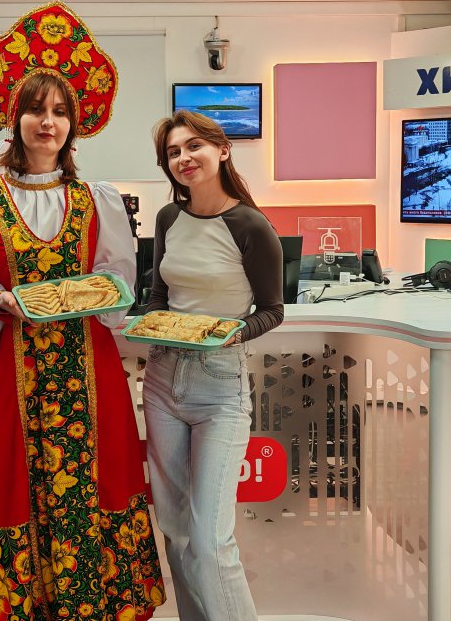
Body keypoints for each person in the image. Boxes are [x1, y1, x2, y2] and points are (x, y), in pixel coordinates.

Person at [0, 2, 164, 621]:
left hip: (90, 371)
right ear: (13, 116)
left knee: (93, 484)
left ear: (74, 125)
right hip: (16, 372)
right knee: (7, 487)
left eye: (59, 112)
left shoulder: (98, 200)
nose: (47, 122)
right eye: (35, 109)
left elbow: (117, 280)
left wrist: (100, 293)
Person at [142, 110, 284, 621]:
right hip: (161, 381)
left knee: (210, 540)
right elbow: (159, 296)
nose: (183, 158)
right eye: (173, 152)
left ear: (222, 150)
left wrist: (226, 333)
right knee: (176, 532)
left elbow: (272, 310)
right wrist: (151, 323)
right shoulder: (167, 218)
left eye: (193, 146)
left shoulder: (250, 225)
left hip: (219, 384)